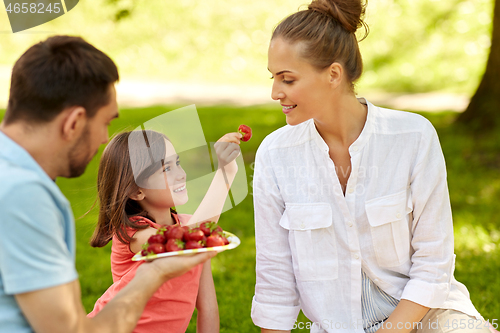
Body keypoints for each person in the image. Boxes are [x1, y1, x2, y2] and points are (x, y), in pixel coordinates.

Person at [251, 1, 494, 332]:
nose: (275, 92)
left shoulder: (413, 137)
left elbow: (433, 263)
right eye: (273, 78)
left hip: (427, 316)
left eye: (287, 79)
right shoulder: (275, 155)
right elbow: (275, 278)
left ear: (333, 74)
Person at [0, 35, 215, 333]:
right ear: (74, 122)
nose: (104, 138)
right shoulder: (23, 195)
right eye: (105, 123)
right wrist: (151, 275)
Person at [87, 128, 241, 333]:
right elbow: (185, 240)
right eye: (166, 169)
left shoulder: (190, 230)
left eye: (177, 163)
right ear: (136, 190)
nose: (181, 174)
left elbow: (208, 306)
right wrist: (224, 174)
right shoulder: (134, 234)